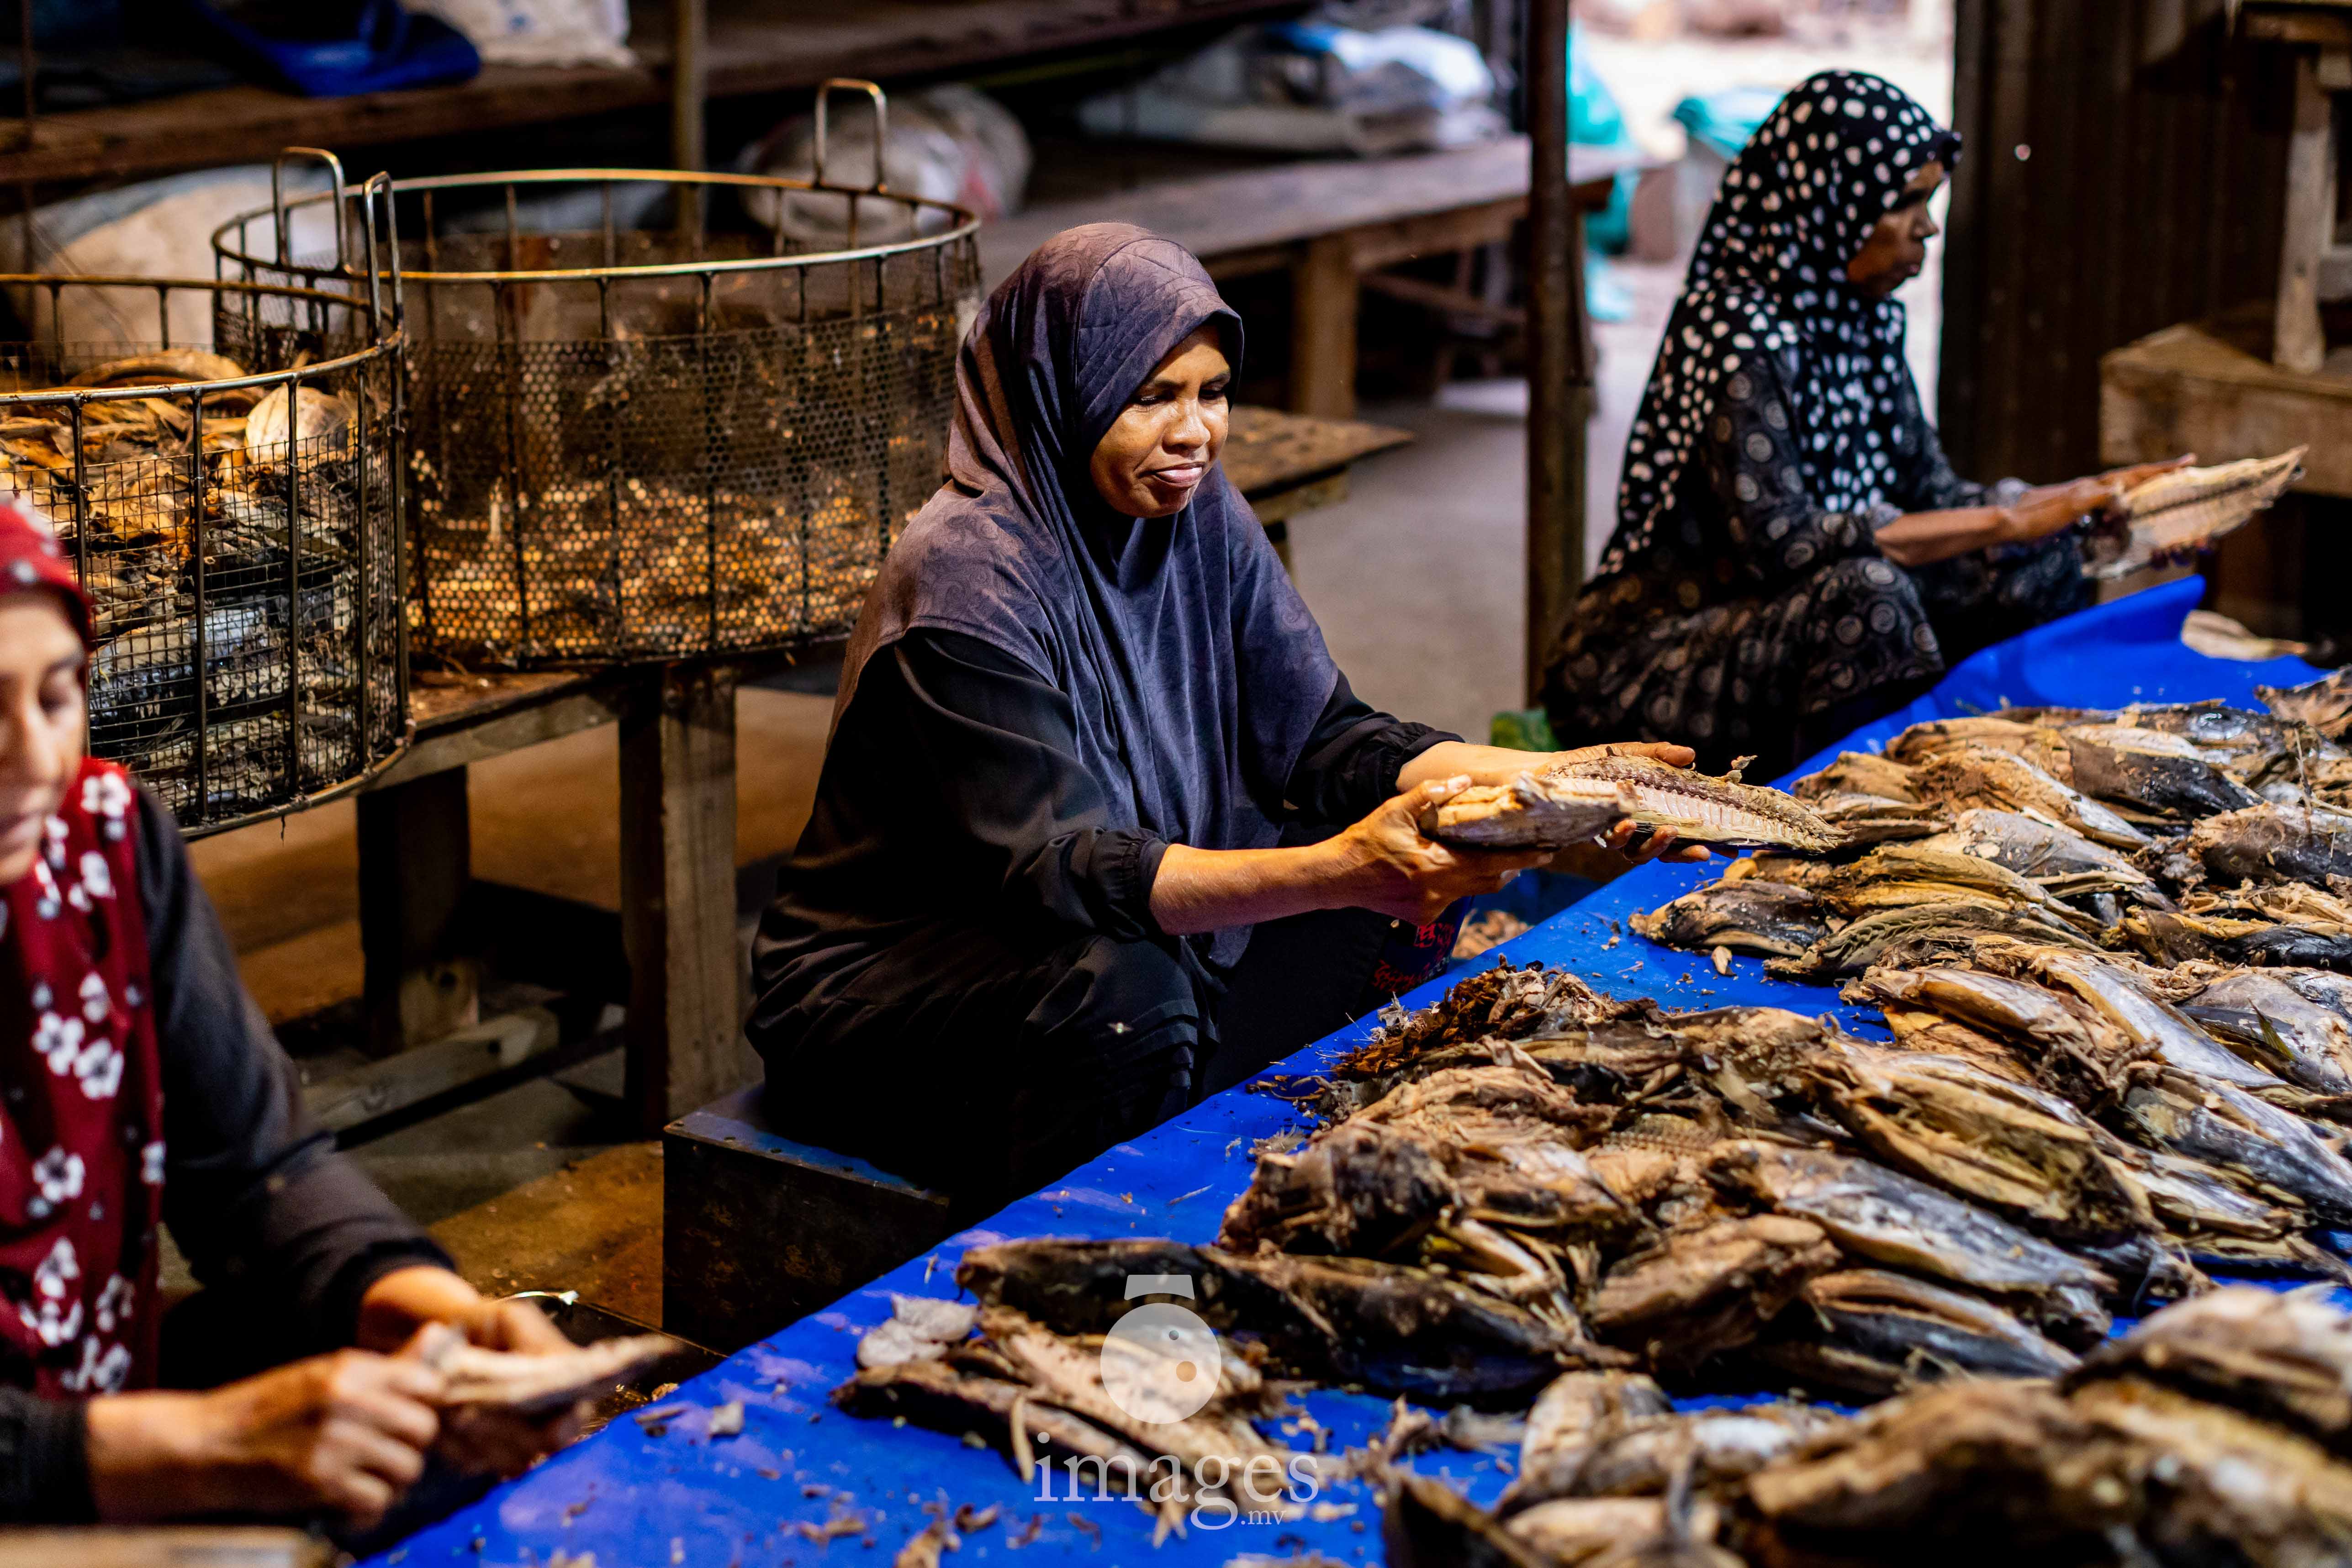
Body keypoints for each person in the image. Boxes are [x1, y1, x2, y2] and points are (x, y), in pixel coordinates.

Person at [749, 223, 1699, 1205]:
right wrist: (1337, 869)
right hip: (897, 990)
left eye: (1213, 392)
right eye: (1151, 396)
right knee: (1132, 996)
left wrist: (1561, 783)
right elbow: (1062, 871)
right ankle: (1109, 1280)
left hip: (1093, 921)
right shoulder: (967, 574)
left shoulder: (1194, 513)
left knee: (1406, 877)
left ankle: (1190, 1126)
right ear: (1057, 397)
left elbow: (1327, 740)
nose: (1196, 430)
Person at [0, 500, 574, 1526]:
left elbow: (257, 1169)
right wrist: (196, 1448)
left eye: (57, 696)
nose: (39, 762)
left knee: (416, 1422)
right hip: (41, 1462)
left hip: (89, 1401)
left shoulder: (102, 844)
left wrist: (422, 1306)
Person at [1544, 71, 2187, 775]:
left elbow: (1935, 495)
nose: (1927, 226)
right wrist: (2011, 518)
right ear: (1831, 202)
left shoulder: (1866, 320)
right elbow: (1782, 545)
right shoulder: (1739, 330)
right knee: (1870, 596)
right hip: (1661, 663)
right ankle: (1836, 816)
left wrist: (2085, 501)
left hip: (1790, 627)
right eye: (1907, 201)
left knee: (2043, 558)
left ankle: (1983, 762)